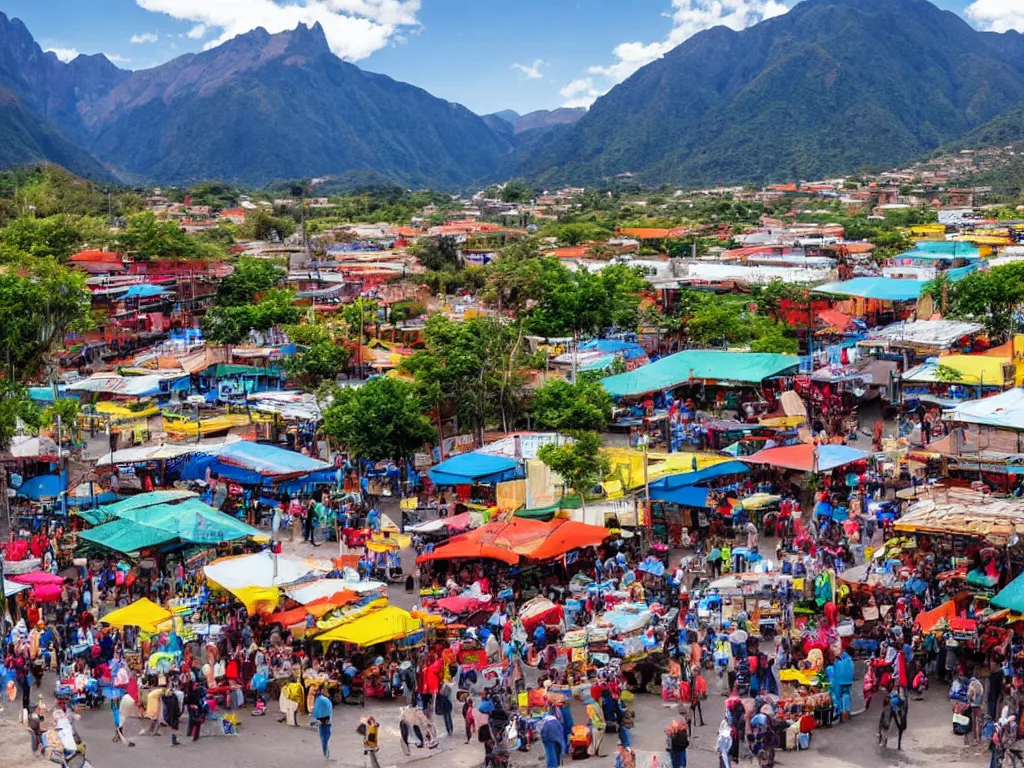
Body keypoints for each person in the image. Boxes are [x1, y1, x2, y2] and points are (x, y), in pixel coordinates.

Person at [313, 685, 333, 758]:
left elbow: (316, 711)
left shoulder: (319, 700)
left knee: (323, 737)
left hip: (321, 721)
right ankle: (326, 750)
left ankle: (325, 751)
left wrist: (314, 720)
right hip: (327, 721)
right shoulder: (327, 699)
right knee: (326, 736)